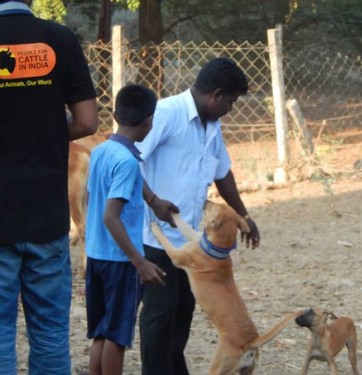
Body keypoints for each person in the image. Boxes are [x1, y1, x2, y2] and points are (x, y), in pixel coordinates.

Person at [137, 57, 261, 375]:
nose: (231, 109)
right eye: (230, 102)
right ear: (215, 94)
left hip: (195, 242)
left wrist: (244, 217)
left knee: (182, 314)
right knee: (159, 317)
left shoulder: (212, 125)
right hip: (155, 239)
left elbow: (223, 173)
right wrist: (152, 200)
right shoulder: (166, 114)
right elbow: (127, 160)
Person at [0, 1, 98, 374]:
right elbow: (88, 121)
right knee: (51, 332)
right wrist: (45, 135)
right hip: (46, 215)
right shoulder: (59, 38)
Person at [85, 84, 167, 375]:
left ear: (117, 114)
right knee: (117, 337)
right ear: (148, 120)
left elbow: (96, 199)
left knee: (101, 332)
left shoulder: (100, 151)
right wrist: (140, 262)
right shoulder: (128, 163)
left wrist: (153, 200)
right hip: (120, 262)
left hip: (95, 257)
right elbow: (111, 216)